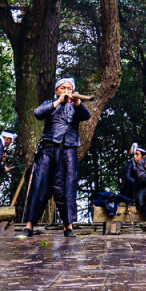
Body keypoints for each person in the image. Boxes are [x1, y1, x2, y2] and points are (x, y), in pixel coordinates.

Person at [23, 78, 90, 237]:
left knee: (67, 187)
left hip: (68, 150)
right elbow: (37, 113)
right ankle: (29, 225)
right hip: (48, 150)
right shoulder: (49, 103)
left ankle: (68, 226)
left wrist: (78, 102)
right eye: (63, 88)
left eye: (69, 88)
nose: (66, 91)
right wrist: (59, 101)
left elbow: (86, 116)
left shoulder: (76, 106)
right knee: (40, 185)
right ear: (56, 90)